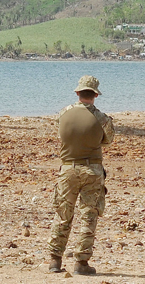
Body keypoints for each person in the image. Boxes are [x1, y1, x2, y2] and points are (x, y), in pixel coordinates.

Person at [47, 75, 115, 276]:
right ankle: (81, 262)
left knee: (62, 214)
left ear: (77, 93)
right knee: (89, 215)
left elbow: (61, 134)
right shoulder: (102, 118)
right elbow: (107, 141)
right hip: (92, 170)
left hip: (67, 169)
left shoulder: (63, 113)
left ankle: (55, 260)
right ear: (95, 94)